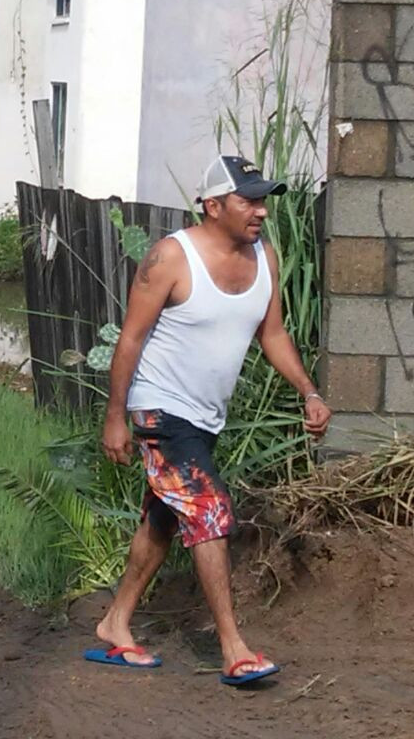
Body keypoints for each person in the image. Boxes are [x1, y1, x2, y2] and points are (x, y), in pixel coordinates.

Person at [85, 155, 331, 687]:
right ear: (213, 206)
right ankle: (234, 649)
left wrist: (308, 391)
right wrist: (115, 417)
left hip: (205, 417)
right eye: (249, 200)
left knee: (164, 518)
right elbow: (129, 339)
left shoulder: (265, 256)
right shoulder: (171, 258)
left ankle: (115, 621)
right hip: (159, 407)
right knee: (209, 508)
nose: (261, 211)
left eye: (264, 200)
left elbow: (273, 334)